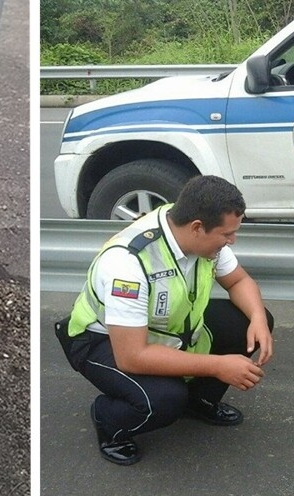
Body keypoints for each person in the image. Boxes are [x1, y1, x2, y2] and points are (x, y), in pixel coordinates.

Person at [54, 175, 274, 465]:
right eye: (227, 234)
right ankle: (110, 421)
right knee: (165, 398)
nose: (232, 240)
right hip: (102, 341)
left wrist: (258, 317)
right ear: (197, 228)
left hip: (165, 330)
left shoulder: (194, 227)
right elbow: (132, 356)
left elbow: (239, 282)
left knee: (249, 323)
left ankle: (199, 401)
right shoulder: (128, 264)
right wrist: (219, 366)